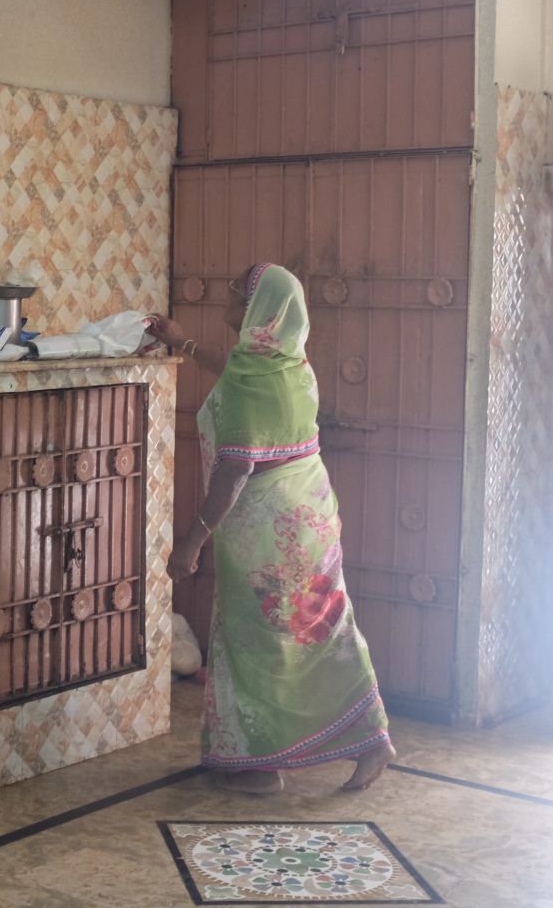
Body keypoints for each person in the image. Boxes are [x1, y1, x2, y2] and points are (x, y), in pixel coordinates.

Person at [148, 263, 395, 792]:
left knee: (260, 640)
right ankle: (370, 739)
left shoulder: (252, 385)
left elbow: (235, 471)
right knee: (321, 631)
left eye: (238, 292)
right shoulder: (287, 363)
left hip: (270, 535)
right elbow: (233, 370)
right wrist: (183, 343)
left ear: (260, 310)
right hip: (310, 519)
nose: (229, 297)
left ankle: (259, 767)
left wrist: (192, 542)